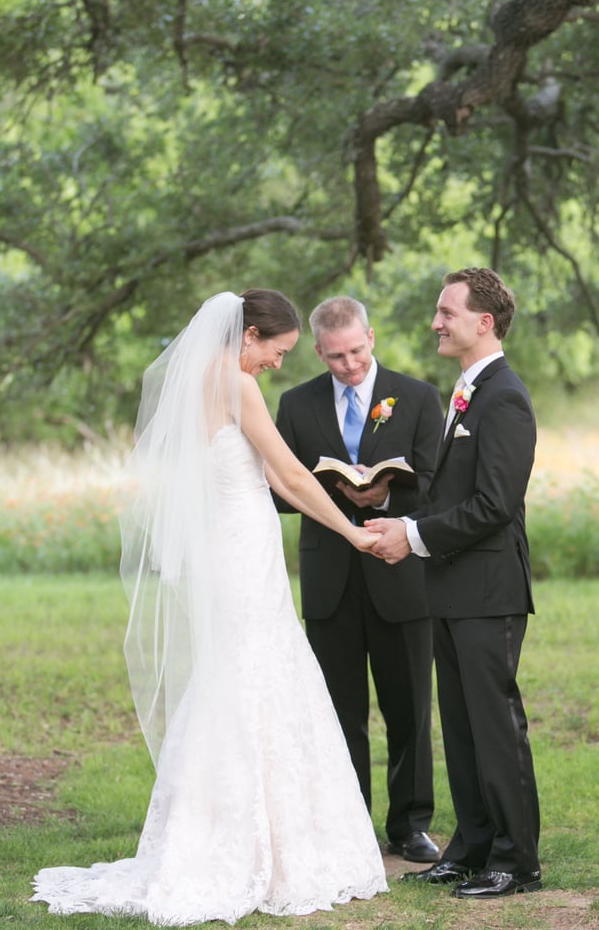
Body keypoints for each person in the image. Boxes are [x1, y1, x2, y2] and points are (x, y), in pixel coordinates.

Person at [31, 289, 388, 926]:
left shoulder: (199, 380)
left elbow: (276, 478)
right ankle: (252, 845)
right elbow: (295, 477)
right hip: (241, 549)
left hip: (228, 548)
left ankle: (226, 829)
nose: (279, 365)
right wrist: (355, 532)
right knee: (255, 675)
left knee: (234, 676)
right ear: (248, 334)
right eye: (276, 351)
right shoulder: (236, 384)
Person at [367, 268, 542, 898]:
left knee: (495, 726)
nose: (436, 322)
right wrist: (408, 521)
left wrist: (412, 538)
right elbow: (454, 494)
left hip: (489, 591)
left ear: (483, 322)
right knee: (462, 725)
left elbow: (494, 505)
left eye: (447, 312)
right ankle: (470, 847)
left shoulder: (504, 396)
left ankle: (517, 860)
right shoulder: (468, 391)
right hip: (453, 588)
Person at [275, 296, 444, 864]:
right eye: (336, 357)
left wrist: (386, 494)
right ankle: (345, 827)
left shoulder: (418, 396)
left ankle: (411, 824)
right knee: (337, 709)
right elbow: (277, 489)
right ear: (318, 351)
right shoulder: (295, 405)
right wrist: (329, 491)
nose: (349, 366)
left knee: (409, 707)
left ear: (370, 337)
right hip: (330, 578)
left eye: (357, 352)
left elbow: (438, 483)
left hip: (401, 573)